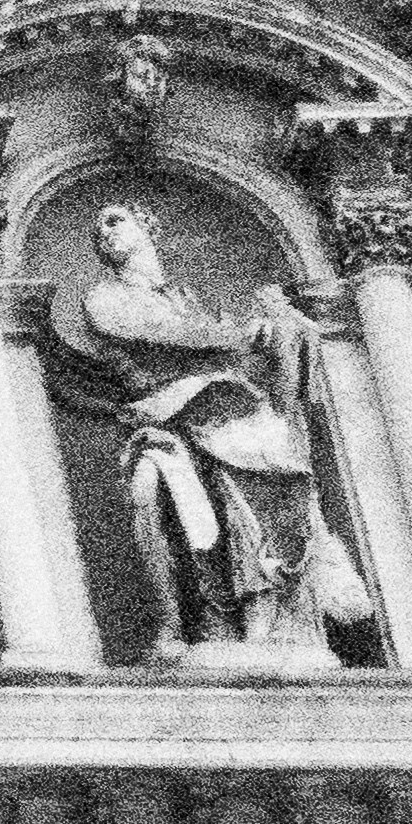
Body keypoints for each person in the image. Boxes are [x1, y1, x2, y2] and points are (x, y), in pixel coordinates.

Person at [50, 200, 373, 662]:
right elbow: (156, 333)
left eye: (115, 220)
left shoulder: (182, 298)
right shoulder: (107, 296)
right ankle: (205, 619)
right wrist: (247, 332)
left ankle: (273, 614)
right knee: (176, 488)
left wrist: (282, 329)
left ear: (148, 225)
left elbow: (210, 340)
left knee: (275, 474)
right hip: (170, 415)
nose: (104, 231)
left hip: (227, 412)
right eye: (97, 225)